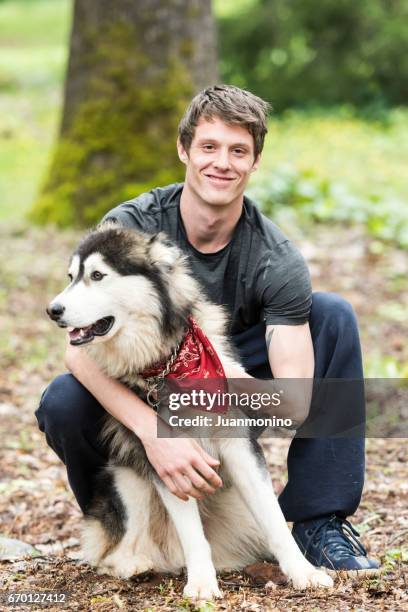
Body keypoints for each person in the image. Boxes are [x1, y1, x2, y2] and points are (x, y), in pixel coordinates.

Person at [35, 84, 379, 574]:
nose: (223, 163)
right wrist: (158, 434)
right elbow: (77, 355)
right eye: (209, 147)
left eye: (239, 150)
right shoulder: (131, 229)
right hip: (142, 374)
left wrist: (209, 404)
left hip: (234, 369)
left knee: (332, 315)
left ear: (255, 161)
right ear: (184, 150)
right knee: (63, 401)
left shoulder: (274, 258)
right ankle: (130, 526)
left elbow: (294, 403)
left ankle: (317, 521)